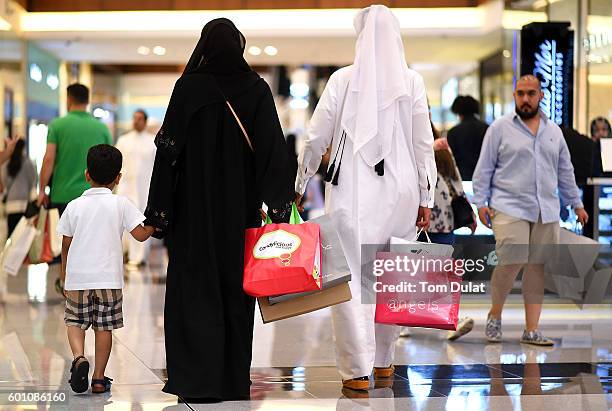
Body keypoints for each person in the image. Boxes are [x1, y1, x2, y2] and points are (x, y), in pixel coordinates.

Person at [144, 19, 294, 402]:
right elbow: (273, 151)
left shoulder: (188, 88)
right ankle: (230, 381)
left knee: (193, 291)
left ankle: (195, 381)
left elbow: (168, 152)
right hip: (238, 214)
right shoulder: (256, 89)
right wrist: (277, 207)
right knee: (234, 293)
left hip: (191, 215)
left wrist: (159, 212)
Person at [295, 6, 436, 391]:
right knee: (390, 277)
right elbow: (424, 144)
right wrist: (428, 196)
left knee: (351, 279)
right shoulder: (412, 81)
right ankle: (385, 363)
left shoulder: (343, 79)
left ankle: (357, 371)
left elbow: (316, 135)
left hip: (351, 189)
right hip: (402, 191)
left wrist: (301, 177)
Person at [471, 75, 587, 346]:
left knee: (537, 267)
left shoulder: (553, 131)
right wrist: (481, 202)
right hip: (508, 204)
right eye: (521, 93)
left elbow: (565, 171)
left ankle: (531, 329)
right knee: (511, 260)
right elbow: (484, 168)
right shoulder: (499, 128)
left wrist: (577, 203)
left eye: (531, 93)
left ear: (540, 96)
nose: (526, 99)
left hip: (546, 208)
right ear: (514, 96)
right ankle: (495, 315)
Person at [57, 145, 155, 394]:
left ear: (87, 174)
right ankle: (99, 379)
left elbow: (65, 245)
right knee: (104, 328)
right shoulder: (121, 204)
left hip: (77, 279)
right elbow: (141, 235)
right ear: (118, 178)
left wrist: (64, 275)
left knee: (75, 322)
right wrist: (155, 222)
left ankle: (79, 357)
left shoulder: (74, 206)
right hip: (108, 281)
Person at [37, 83, 112, 212]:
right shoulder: (102, 128)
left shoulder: (57, 125)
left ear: (69, 99)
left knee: (63, 232)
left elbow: (49, 159)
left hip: (63, 196)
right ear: (88, 101)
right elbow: (110, 163)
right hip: (94, 196)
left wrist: (42, 190)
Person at [115, 109, 157, 266]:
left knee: (140, 221)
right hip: (126, 187)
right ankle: (125, 253)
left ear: (145, 121)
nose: (136, 121)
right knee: (124, 220)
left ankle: (139, 257)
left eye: (140, 118)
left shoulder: (153, 142)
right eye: (134, 118)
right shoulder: (123, 140)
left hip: (144, 189)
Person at [446, 95, 489, 181]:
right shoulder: (487, 129)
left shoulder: (453, 132)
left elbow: (451, 159)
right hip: (483, 178)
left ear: (458, 112)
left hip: (461, 178)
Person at [2, 139, 37, 236]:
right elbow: (33, 181)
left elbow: (4, 181)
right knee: (22, 237)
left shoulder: (7, 163)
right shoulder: (27, 163)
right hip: (24, 205)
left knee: (12, 236)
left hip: (11, 205)